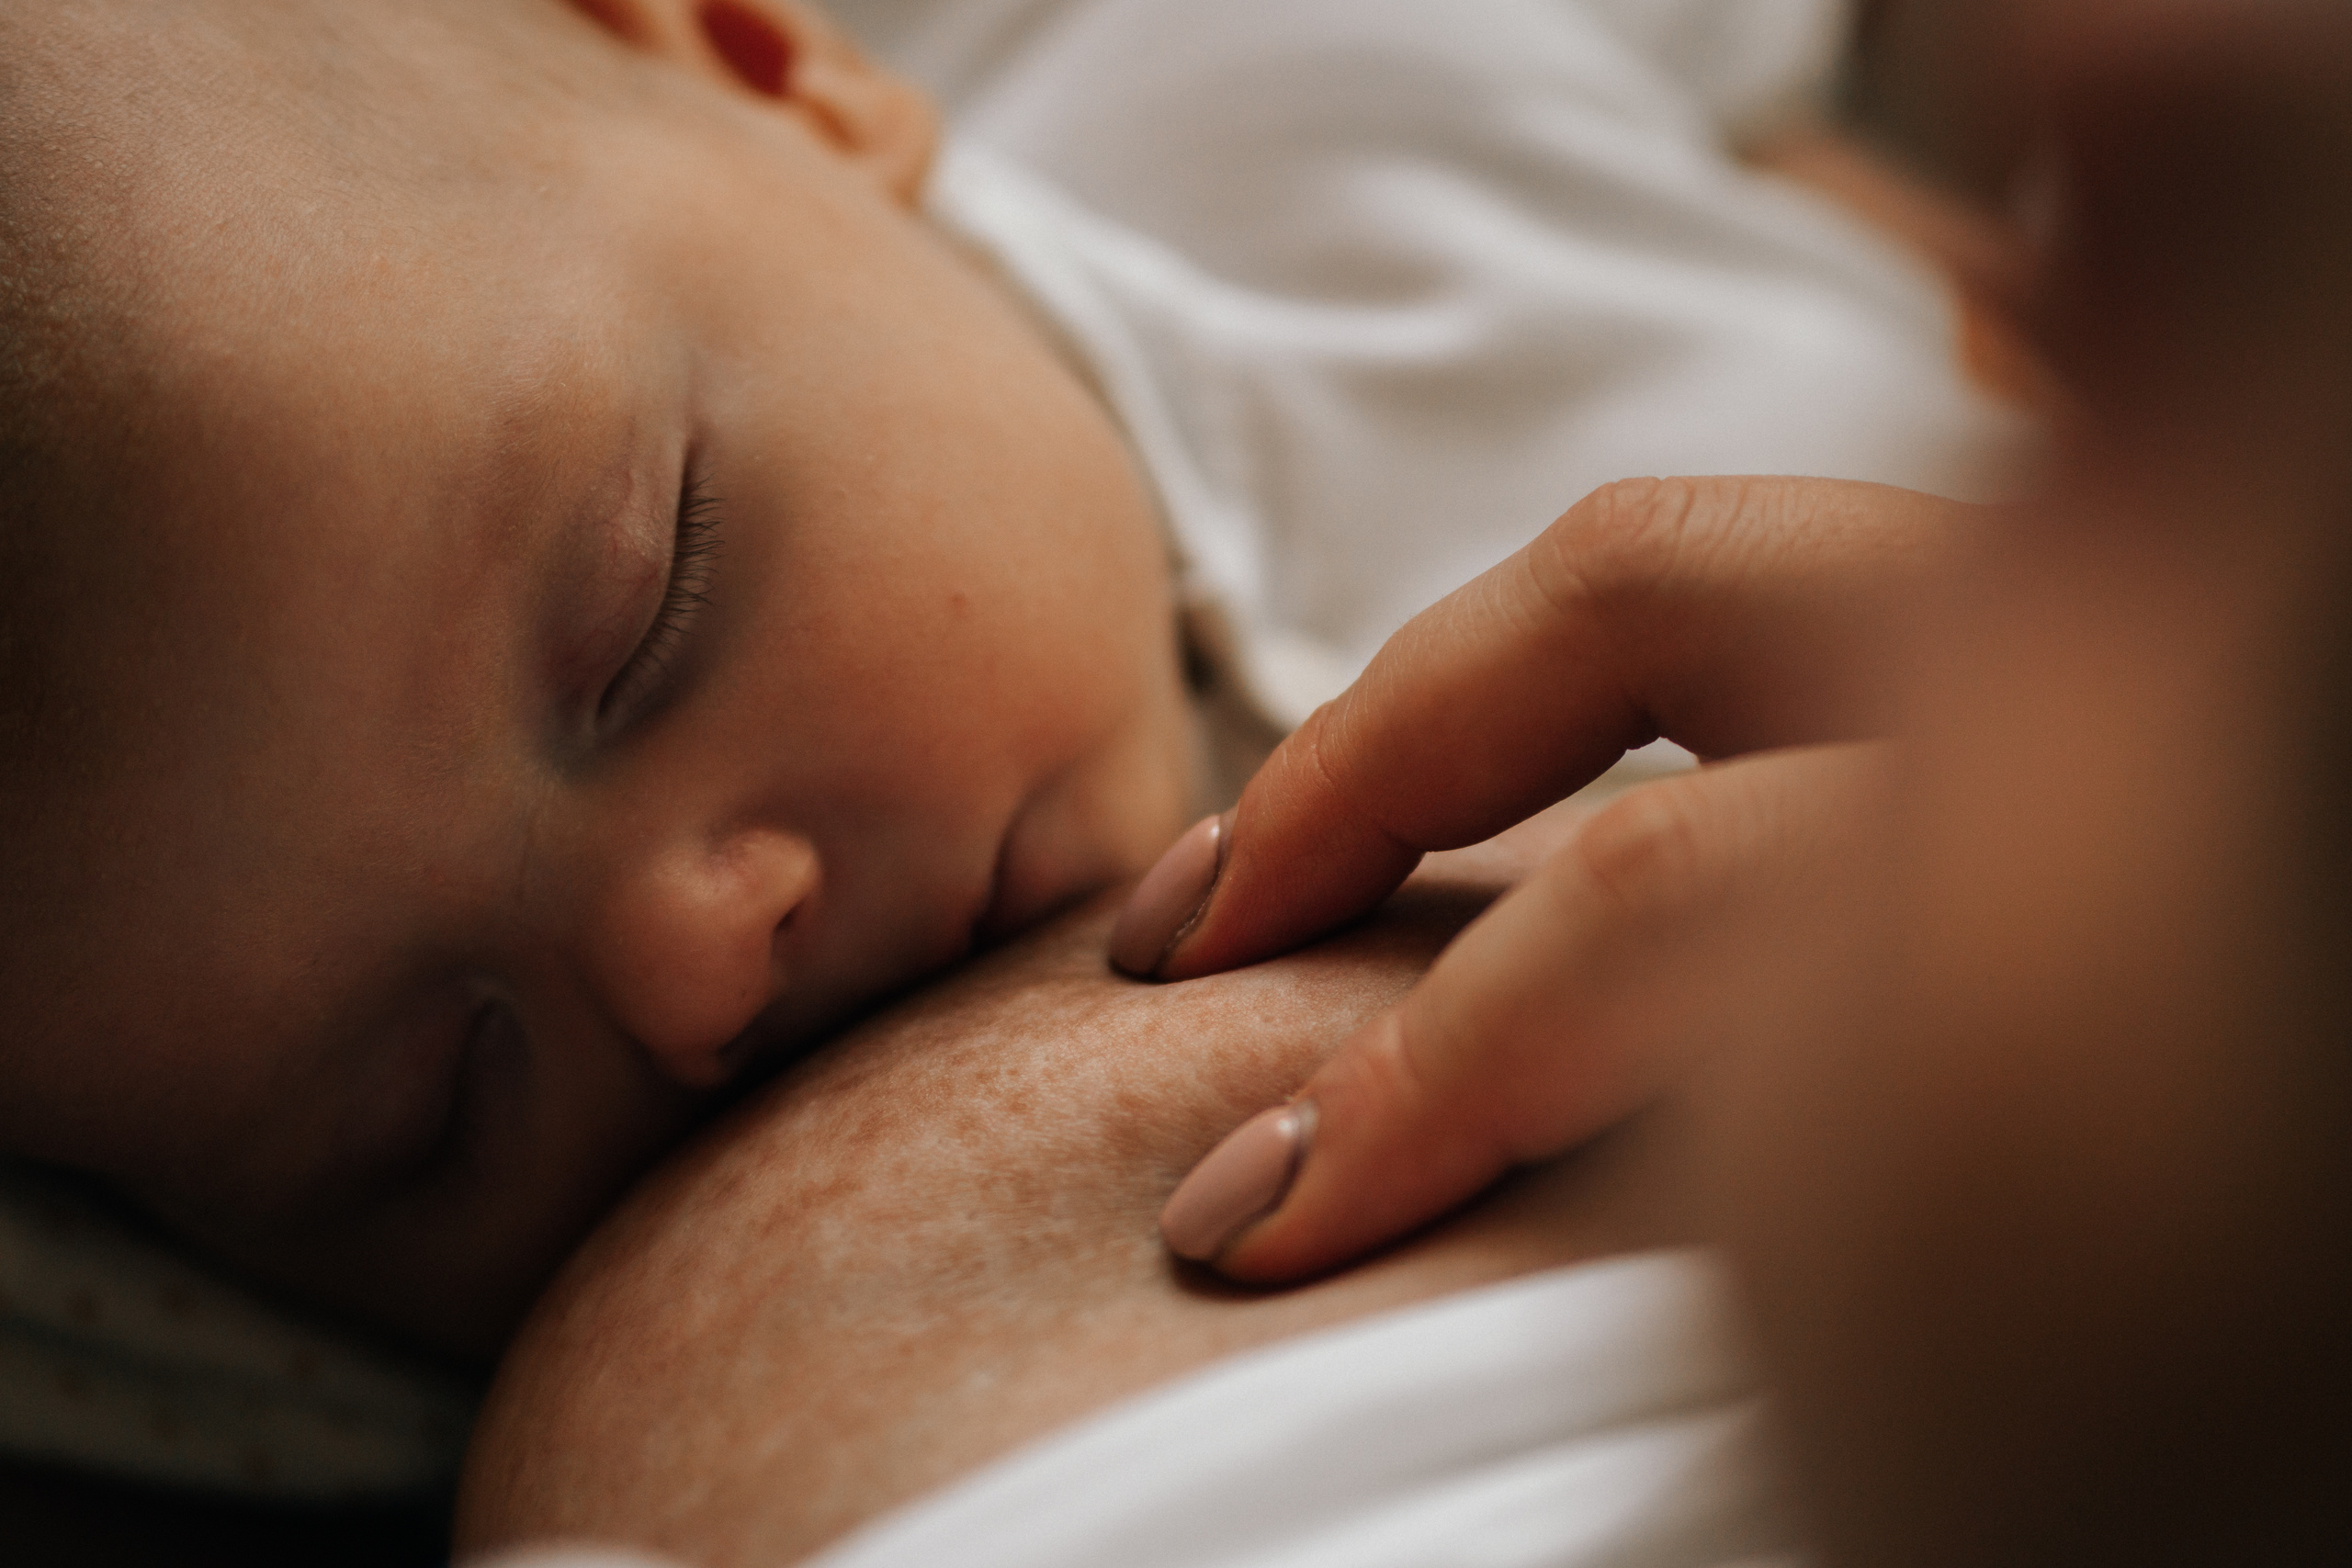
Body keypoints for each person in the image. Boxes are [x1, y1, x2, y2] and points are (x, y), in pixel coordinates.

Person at [0, 0, 2011, 1401]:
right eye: (424, 1105)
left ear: (773, 71)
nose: (701, 966)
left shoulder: (1317, 86)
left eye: (648, 618)